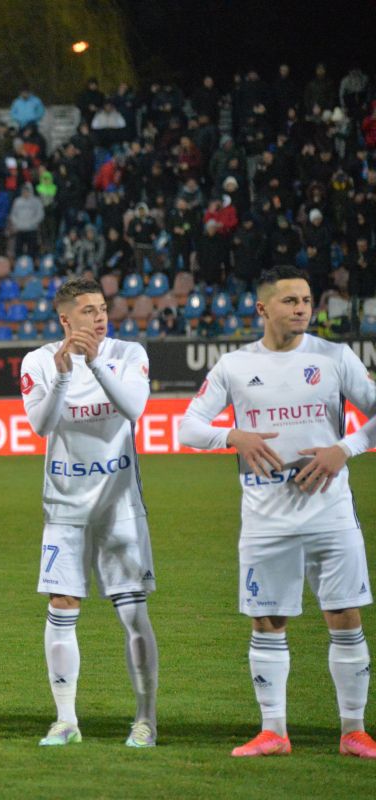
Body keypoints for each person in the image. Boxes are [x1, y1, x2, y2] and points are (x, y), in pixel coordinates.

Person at [178, 266, 376, 758]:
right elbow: (188, 427)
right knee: (267, 620)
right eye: (290, 301)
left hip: (330, 511)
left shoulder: (334, 357)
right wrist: (233, 435)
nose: (302, 308)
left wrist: (345, 448)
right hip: (266, 514)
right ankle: (274, 732)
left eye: (306, 299)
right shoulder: (235, 366)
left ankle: (354, 731)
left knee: (344, 615)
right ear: (263, 309)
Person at [19, 278, 159, 748]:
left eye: (102, 309)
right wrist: (61, 375)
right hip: (64, 509)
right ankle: (65, 721)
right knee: (61, 608)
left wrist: (95, 363)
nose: (100, 318)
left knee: (133, 612)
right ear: (65, 320)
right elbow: (40, 425)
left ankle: (145, 719)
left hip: (120, 508)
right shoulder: (39, 362)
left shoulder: (129, 353)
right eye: (88, 311)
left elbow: (135, 407)